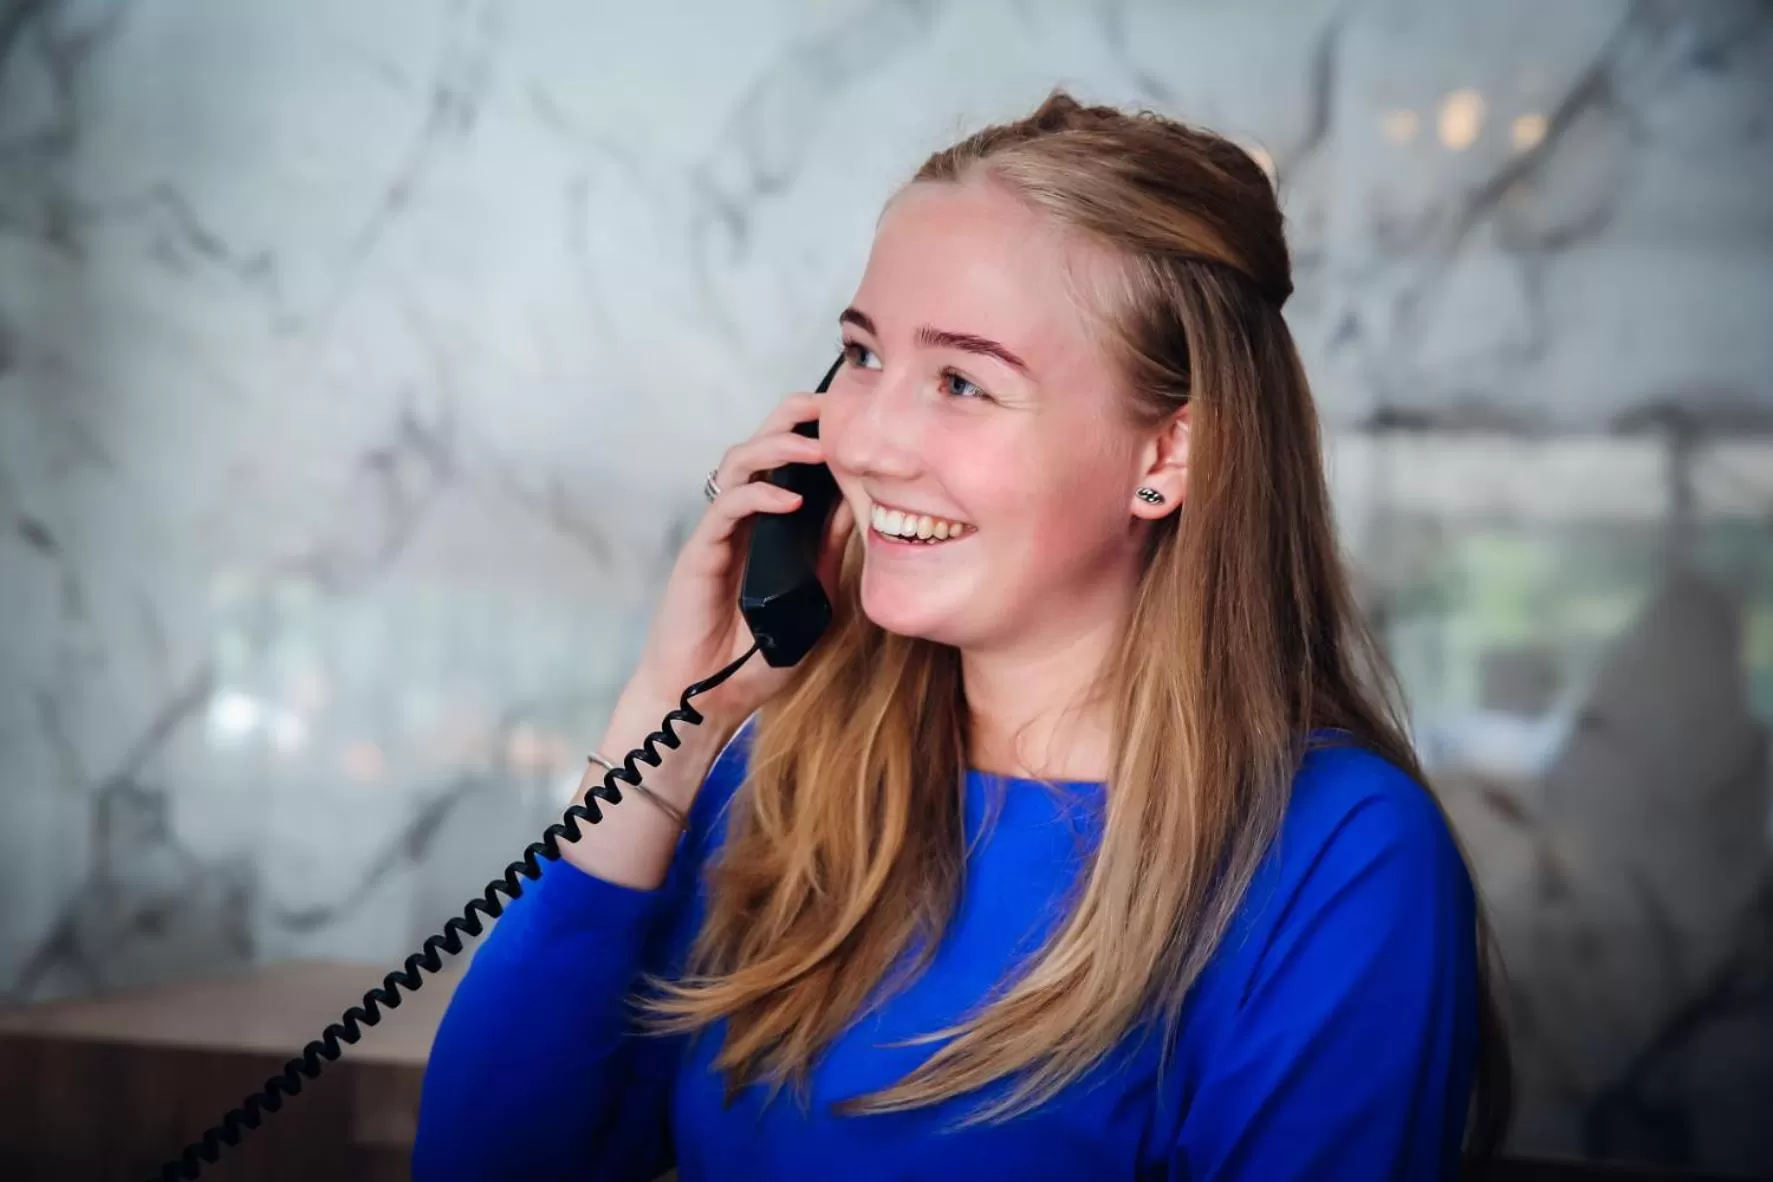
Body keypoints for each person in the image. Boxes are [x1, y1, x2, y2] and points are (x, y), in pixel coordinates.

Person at [412, 89, 1510, 1180]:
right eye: (864, 356)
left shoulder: (1341, 859)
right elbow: (482, 1164)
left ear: (1170, 456)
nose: (871, 440)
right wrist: (669, 716)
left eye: (962, 380)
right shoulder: (784, 771)